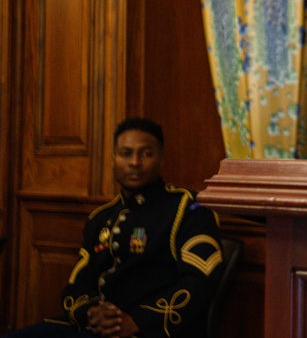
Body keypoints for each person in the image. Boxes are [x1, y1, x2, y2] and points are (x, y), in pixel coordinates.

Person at [5, 119, 224, 337]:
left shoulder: (189, 208)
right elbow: (76, 286)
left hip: (150, 330)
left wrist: (137, 321)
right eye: (125, 154)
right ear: (113, 159)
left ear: (161, 159)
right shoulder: (101, 217)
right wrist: (91, 312)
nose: (134, 162)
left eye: (146, 154)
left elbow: (199, 283)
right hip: (96, 327)